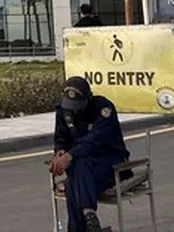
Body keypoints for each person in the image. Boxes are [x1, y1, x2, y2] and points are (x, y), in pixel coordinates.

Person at [47, 76, 129, 232]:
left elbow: (94, 140)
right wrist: (60, 151)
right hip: (83, 167)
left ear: (88, 98)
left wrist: (69, 156)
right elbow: (61, 137)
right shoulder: (64, 110)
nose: (74, 110)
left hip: (110, 164)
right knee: (77, 170)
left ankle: (86, 216)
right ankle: (90, 217)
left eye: (78, 106)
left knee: (72, 184)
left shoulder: (103, 109)